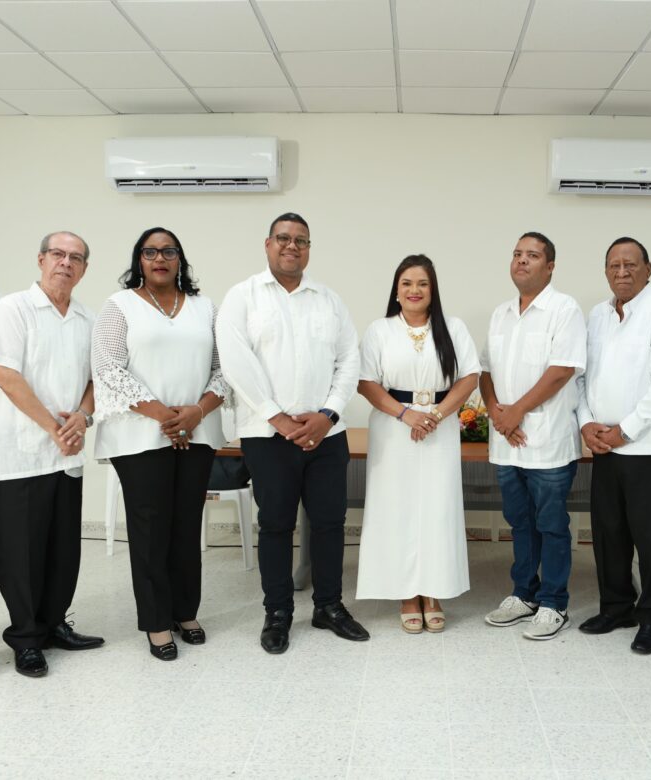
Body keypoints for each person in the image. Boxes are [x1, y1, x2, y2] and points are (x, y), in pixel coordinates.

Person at [216, 212, 367, 655]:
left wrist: (328, 414)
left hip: (326, 434)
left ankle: (329, 606)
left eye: (301, 240)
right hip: (267, 436)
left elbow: (349, 360)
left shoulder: (329, 300)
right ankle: (278, 612)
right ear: (268, 245)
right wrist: (277, 418)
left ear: (308, 249)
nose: (292, 246)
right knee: (276, 524)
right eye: (283, 238)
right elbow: (236, 362)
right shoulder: (242, 297)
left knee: (330, 523)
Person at [92, 227, 227, 661]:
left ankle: (185, 612)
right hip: (139, 436)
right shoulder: (119, 306)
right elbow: (108, 368)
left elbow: (224, 369)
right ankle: (156, 621)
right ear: (139, 260)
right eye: (150, 252)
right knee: (150, 530)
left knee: (186, 525)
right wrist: (164, 416)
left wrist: (196, 413)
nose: (160, 258)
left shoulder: (205, 307)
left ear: (180, 259)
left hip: (197, 432)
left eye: (169, 251)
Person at [0, 231, 104, 678]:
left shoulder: (88, 318)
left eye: (76, 258)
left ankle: (54, 624)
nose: (65, 263)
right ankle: (26, 638)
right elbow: (7, 376)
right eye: (58, 254)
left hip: (66, 452)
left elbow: (96, 380)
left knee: (62, 548)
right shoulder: (13, 309)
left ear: (84, 269)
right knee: (22, 552)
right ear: (41, 260)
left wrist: (82, 419)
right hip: (21, 451)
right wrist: (56, 429)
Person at [577, 237, 651, 655]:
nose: (622, 272)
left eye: (630, 264)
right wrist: (586, 423)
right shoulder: (597, 315)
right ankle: (616, 607)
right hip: (604, 445)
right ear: (606, 271)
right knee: (609, 533)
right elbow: (582, 377)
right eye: (614, 265)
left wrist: (625, 430)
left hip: (647, 447)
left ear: (648, 268)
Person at [355, 255, 480, 633]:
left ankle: (433, 590)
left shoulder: (453, 328)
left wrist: (437, 415)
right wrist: (406, 414)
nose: (414, 290)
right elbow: (366, 382)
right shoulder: (379, 330)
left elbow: (470, 376)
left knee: (437, 509)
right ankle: (407, 593)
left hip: (440, 427)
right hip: (394, 428)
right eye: (407, 283)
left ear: (433, 290)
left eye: (422, 283)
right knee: (397, 508)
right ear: (396, 291)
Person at [480, 232, 586, 641]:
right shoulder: (501, 313)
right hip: (507, 441)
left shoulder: (565, 309)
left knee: (552, 524)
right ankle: (524, 594)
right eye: (517, 254)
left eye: (533, 255)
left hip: (547, 440)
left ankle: (554, 602)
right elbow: (485, 371)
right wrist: (496, 411)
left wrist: (517, 411)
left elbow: (561, 370)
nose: (522, 261)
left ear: (550, 266)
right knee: (520, 521)